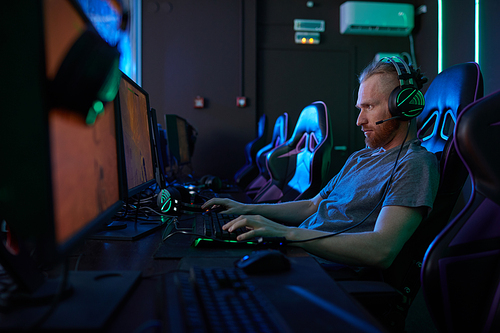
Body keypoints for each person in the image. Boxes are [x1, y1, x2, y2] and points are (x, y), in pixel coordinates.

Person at [202, 58, 440, 270]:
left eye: (369, 106)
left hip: (323, 271)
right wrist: (245, 208)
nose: (359, 120)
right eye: (360, 108)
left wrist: (286, 233)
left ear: (404, 106)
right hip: (299, 251)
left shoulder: (415, 164)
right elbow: (312, 206)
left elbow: (382, 250)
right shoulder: (361, 157)